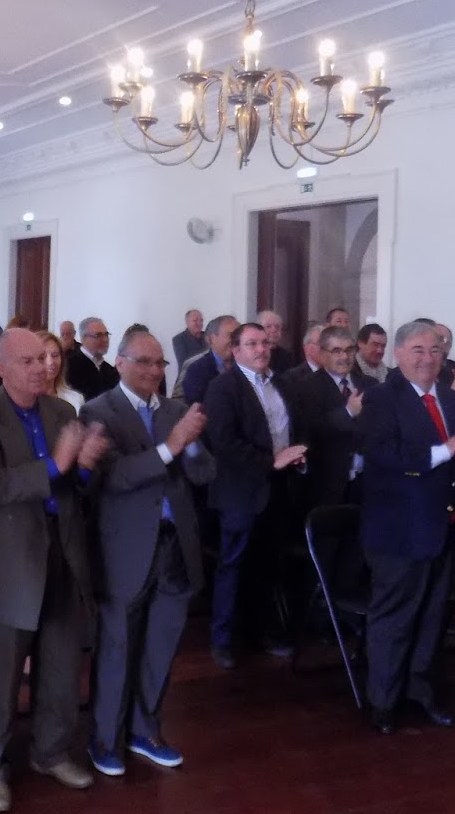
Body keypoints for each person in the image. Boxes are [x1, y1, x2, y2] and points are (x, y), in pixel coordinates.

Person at [0, 328, 107, 814]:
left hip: (63, 552)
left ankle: (51, 752)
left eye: (44, 358)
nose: (42, 367)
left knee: (62, 667)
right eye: (28, 361)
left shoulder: (62, 412)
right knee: (2, 678)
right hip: (8, 562)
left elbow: (76, 487)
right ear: (1, 368)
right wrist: (57, 466)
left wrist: (84, 467)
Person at [80, 329, 213, 776]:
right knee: (118, 646)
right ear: (120, 363)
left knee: (161, 645)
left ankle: (144, 729)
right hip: (127, 548)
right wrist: (172, 445)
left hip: (176, 545)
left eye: (160, 363)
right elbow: (116, 476)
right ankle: (104, 738)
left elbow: (204, 472)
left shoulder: (175, 410)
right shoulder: (99, 410)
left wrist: (190, 444)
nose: (155, 371)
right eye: (145, 362)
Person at [359, 321, 455, 735]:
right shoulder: (380, 399)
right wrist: (443, 451)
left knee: (432, 620)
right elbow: (383, 454)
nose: (427, 359)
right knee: (394, 620)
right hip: (398, 530)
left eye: (434, 350)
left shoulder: (454, 399)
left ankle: (420, 694)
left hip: (443, 527)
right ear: (397, 354)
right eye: (417, 350)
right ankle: (383, 703)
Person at [201, 322, 309, 669]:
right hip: (240, 491)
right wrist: (271, 461)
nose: (262, 349)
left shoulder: (282, 383)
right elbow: (224, 442)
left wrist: (296, 455)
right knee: (233, 565)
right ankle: (222, 640)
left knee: (267, 565)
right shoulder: (223, 387)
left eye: (265, 343)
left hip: (277, 489)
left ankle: (262, 632)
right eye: (252, 344)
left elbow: (293, 429)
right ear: (236, 351)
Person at [291, 325, 369, 513]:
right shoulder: (305, 388)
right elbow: (311, 430)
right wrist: (348, 412)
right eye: (336, 351)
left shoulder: (369, 384)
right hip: (327, 484)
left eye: (349, 350)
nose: (344, 357)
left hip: (366, 482)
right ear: (322, 353)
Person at [176, 314, 238, 405]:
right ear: (210, 339)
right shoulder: (196, 369)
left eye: (239, 336)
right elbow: (195, 406)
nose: (236, 341)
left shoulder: (247, 366)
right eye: (231, 335)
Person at [66, 315, 120, 401]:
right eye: (98, 335)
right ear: (83, 338)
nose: (105, 340)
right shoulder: (70, 365)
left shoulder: (109, 370)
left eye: (106, 335)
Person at [36, 329, 84, 413]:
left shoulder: (75, 400)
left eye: (55, 355)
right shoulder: (20, 401)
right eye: (42, 357)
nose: (50, 362)